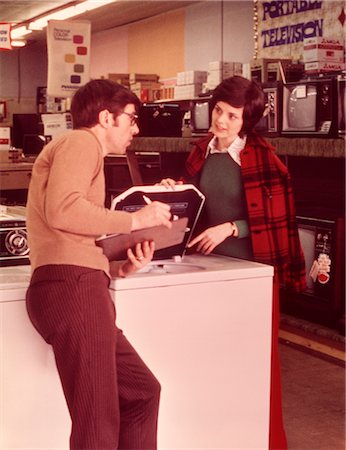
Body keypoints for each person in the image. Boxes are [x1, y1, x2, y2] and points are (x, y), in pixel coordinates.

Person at [25, 79, 173, 450]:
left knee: (141, 392)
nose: (135, 129)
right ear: (106, 117)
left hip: (80, 284)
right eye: (131, 119)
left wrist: (118, 267)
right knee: (96, 426)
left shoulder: (81, 150)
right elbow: (63, 209)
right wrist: (137, 220)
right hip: (71, 288)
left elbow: (71, 230)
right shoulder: (80, 142)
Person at [160, 75, 306, 450]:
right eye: (219, 110)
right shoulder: (201, 150)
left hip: (253, 274)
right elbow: (194, 202)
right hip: (209, 270)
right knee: (211, 361)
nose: (221, 121)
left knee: (255, 366)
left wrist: (231, 227)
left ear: (247, 122)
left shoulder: (263, 158)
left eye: (232, 116)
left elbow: (281, 218)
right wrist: (173, 190)